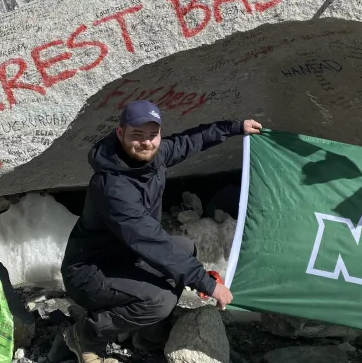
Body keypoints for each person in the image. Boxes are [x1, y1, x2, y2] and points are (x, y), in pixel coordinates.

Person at [60, 99, 262, 363]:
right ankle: (86, 335)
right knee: (159, 301)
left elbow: (191, 141)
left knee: (186, 249)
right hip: (90, 272)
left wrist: (236, 127)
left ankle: (147, 333)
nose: (146, 142)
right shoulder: (112, 188)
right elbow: (152, 242)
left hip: (126, 257)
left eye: (152, 135)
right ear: (120, 134)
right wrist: (208, 284)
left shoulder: (154, 156)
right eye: (137, 135)